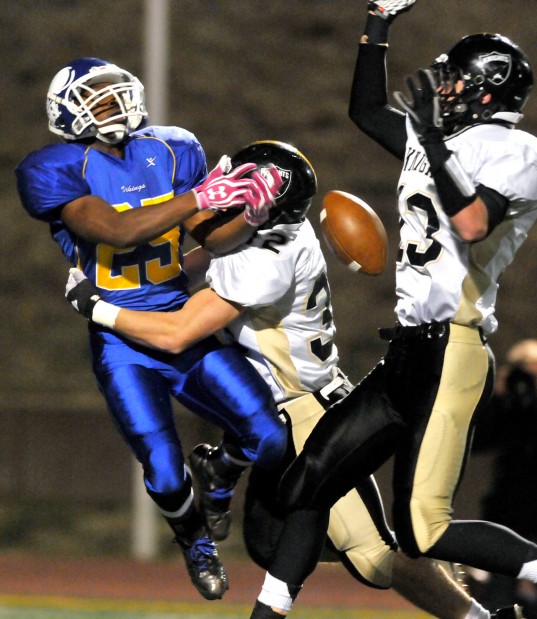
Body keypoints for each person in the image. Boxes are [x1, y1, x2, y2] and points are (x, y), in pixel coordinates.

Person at [65, 140, 514, 619]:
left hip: (309, 413)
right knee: (266, 541)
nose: (224, 194)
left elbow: (176, 334)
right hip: (277, 413)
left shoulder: (266, 259)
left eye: (239, 188)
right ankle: (232, 468)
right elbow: (181, 272)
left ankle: (480, 615)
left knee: (375, 557)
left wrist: (99, 307)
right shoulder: (259, 237)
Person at [239, 0, 537, 617]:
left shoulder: (518, 152)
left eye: (458, 79)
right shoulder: (442, 141)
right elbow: (365, 111)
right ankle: (267, 613)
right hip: (406, 350)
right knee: (310, 480)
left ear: (486, 91)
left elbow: (475, 223)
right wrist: (377, 24)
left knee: (423, 530)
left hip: (453, 350)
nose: (446, 88)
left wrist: (430, 134)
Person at [14, 56, 287, 601]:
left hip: (181, 317)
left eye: (117, 94)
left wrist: (253, 211)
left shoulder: (172, 147)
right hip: (123, 341)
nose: (112, 105)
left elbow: (209, 237)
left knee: (272, 438)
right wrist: (201, 196)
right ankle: (194, 542)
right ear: (65, 111)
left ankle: (219, 475)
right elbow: (118, 230)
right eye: (98, 97)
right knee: (163, 473)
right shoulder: (55, 167)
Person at [468, 340, 537, 617]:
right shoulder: (507, 405)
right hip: (508, 508)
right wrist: (496, 400)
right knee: (498, 593)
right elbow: (477, 442)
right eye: (524, 370)